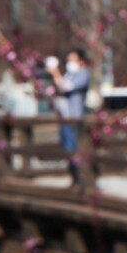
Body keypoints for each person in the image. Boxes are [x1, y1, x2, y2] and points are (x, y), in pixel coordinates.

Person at [46, 49, 91, 185]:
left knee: (76, 149)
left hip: (75, 118)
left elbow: (66, 87)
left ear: (81, 61)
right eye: (69, 60)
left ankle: (81, 178)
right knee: (68, 150)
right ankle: (74, 178)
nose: (70, 63)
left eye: (73, 60)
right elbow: (60, 89)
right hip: (64, 118)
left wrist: (56, 72)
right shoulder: (69, 74)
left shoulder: (84, 74)